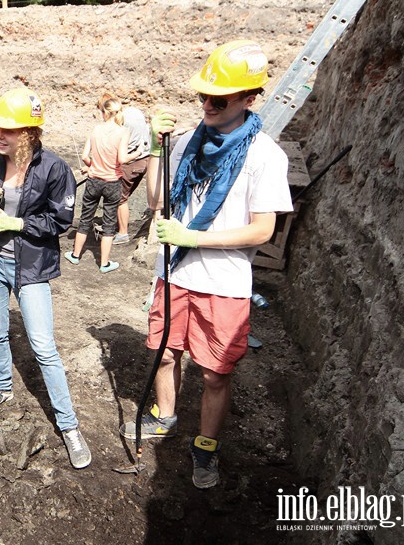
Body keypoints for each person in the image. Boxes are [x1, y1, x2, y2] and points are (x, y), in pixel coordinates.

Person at [119, 40, 293, 489]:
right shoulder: (185, 144)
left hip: (224, 284)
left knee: (216, 373)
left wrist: (195, 237)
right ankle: (166, 416)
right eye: (203, 97)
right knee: (165, 353)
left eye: (220, 99)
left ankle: (206, 447)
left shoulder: (265, 155)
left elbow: (262, 231)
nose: (208, 105)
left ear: (249, 99)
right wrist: (157, 149)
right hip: (174, 273)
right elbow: (157, 199)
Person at [0, 87, 92, 470]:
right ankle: (4, 386)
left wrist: (16, 222)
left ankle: (70, 427)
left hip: (31, 267)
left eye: (9, 130)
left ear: (30, 133)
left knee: (43, 345)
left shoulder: (55, 168)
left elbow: (61, 221)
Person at [66, 95, 142, 273]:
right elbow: (122, 159)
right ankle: (104, 263)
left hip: (94, 180)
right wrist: (137, 153)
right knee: (109, 223)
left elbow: (85, 156)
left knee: (85, 218)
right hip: (113, 182)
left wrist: (93, 166)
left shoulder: (95, 130)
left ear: (103, 112)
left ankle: (75, 255)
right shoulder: (123, 132)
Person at [113, 105, 152, 244]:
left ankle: (123, 233)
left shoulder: (122, 120)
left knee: (120, 198)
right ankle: (116, 225)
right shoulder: (135, 111)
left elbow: (119, 146)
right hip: (145, 160)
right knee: (123, 195)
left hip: (132, 162)